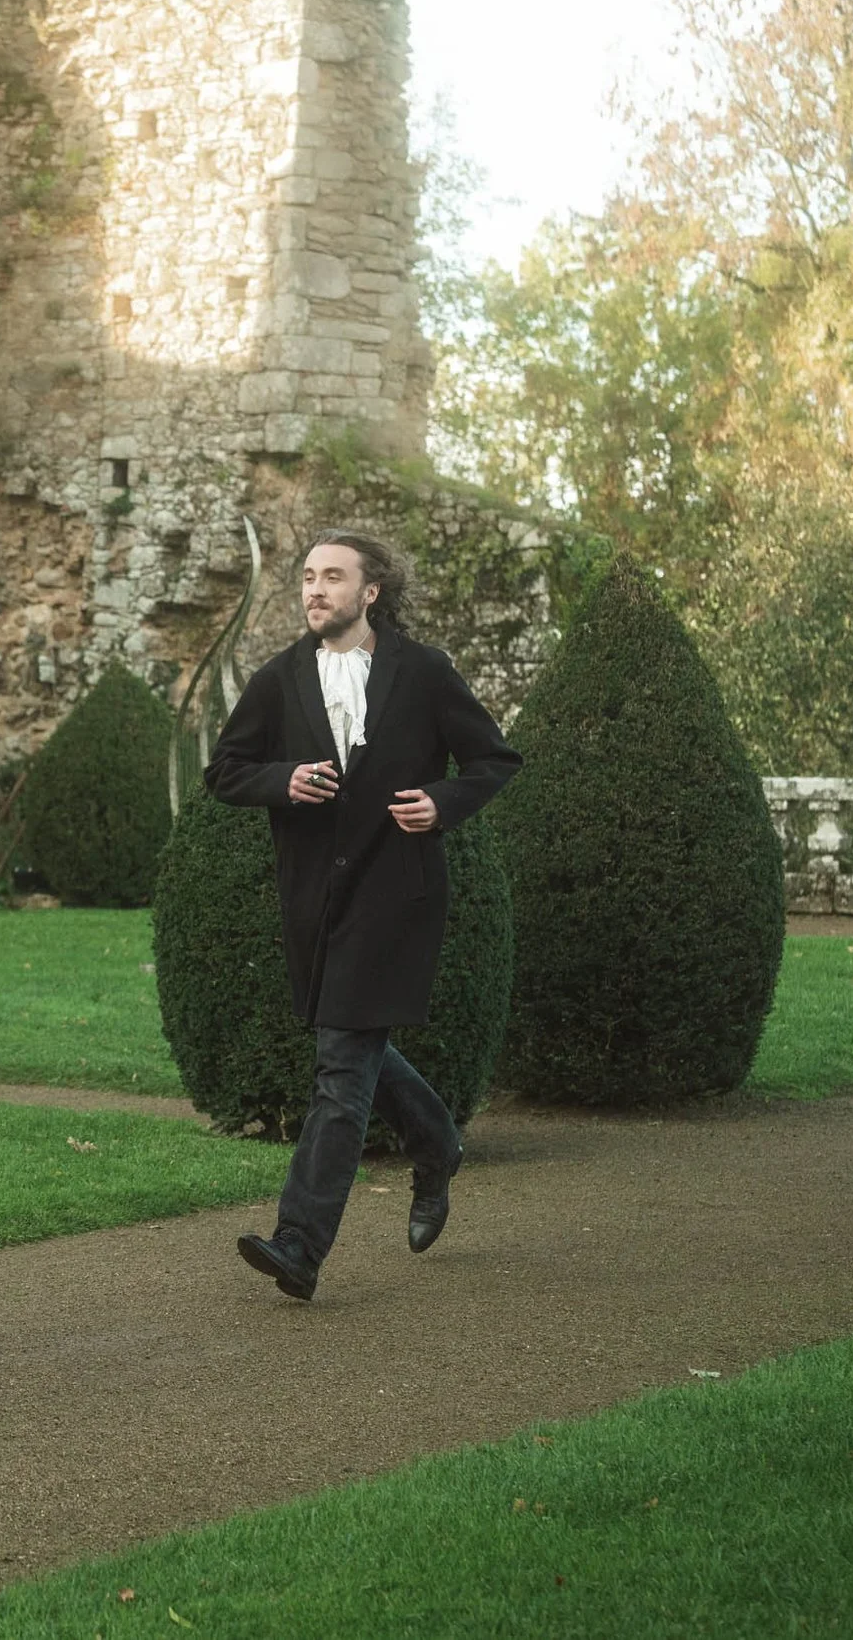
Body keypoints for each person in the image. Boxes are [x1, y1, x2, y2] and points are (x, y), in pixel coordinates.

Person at [204, 532, 520, 1301]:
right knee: (356, 1052)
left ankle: (299, 1243)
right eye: (308, 577)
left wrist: (440, 803)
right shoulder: (280, 679)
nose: (315, 589)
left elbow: (494, 760)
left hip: (397, 900)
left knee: (342, 1072)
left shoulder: (425, 672)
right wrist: (285, 780)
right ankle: (437, 1143)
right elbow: (225, 771)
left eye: (332, 577)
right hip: (314, 902)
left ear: (370, 590)